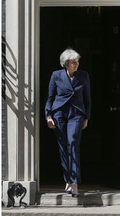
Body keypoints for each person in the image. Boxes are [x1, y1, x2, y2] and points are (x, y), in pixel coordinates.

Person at [45, 48, 91, 197]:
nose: (76, 64)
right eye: (73, 62)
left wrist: (86, 117)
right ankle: (68, 180)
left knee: (72, 143)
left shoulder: (83, 76)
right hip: (59, 114)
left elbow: (87, 98)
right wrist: (48, 116)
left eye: (77, 62)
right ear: (66, 64)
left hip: (76, 114)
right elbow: (50, 97)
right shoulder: (56, 76)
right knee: (63, 147)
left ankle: (74, 183)